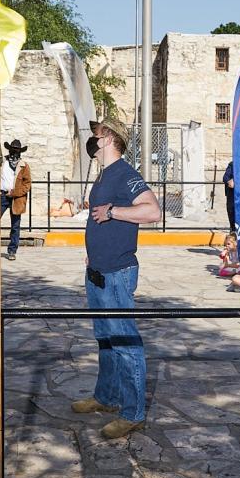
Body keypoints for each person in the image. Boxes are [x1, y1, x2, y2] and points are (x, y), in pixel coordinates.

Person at [70, 116, 161, 440]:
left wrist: (113, 212)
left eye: (96, 133)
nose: (92, 138)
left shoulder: (124, 174)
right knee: (105, 339)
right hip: (97, 271)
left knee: (125, 342)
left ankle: (132, 413)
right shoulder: (105, 175)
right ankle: (106, 397)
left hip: (116, 275)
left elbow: (152, 211)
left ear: (107, 137)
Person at [0, 139, 32, 261]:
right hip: (2, 196)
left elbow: (27, 184)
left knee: (15, 225)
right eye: (13, 150)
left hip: (17, 198)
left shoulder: (24, 166)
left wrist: (15, 192)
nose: (14, 152)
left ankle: (12, 251)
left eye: (17, 150)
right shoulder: (1, 162)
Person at [222, 160, 236, 232]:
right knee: (232, 217)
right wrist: (229, 181)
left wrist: (236, 180)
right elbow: (225, 177)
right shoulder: (233, 164)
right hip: (232, 197)